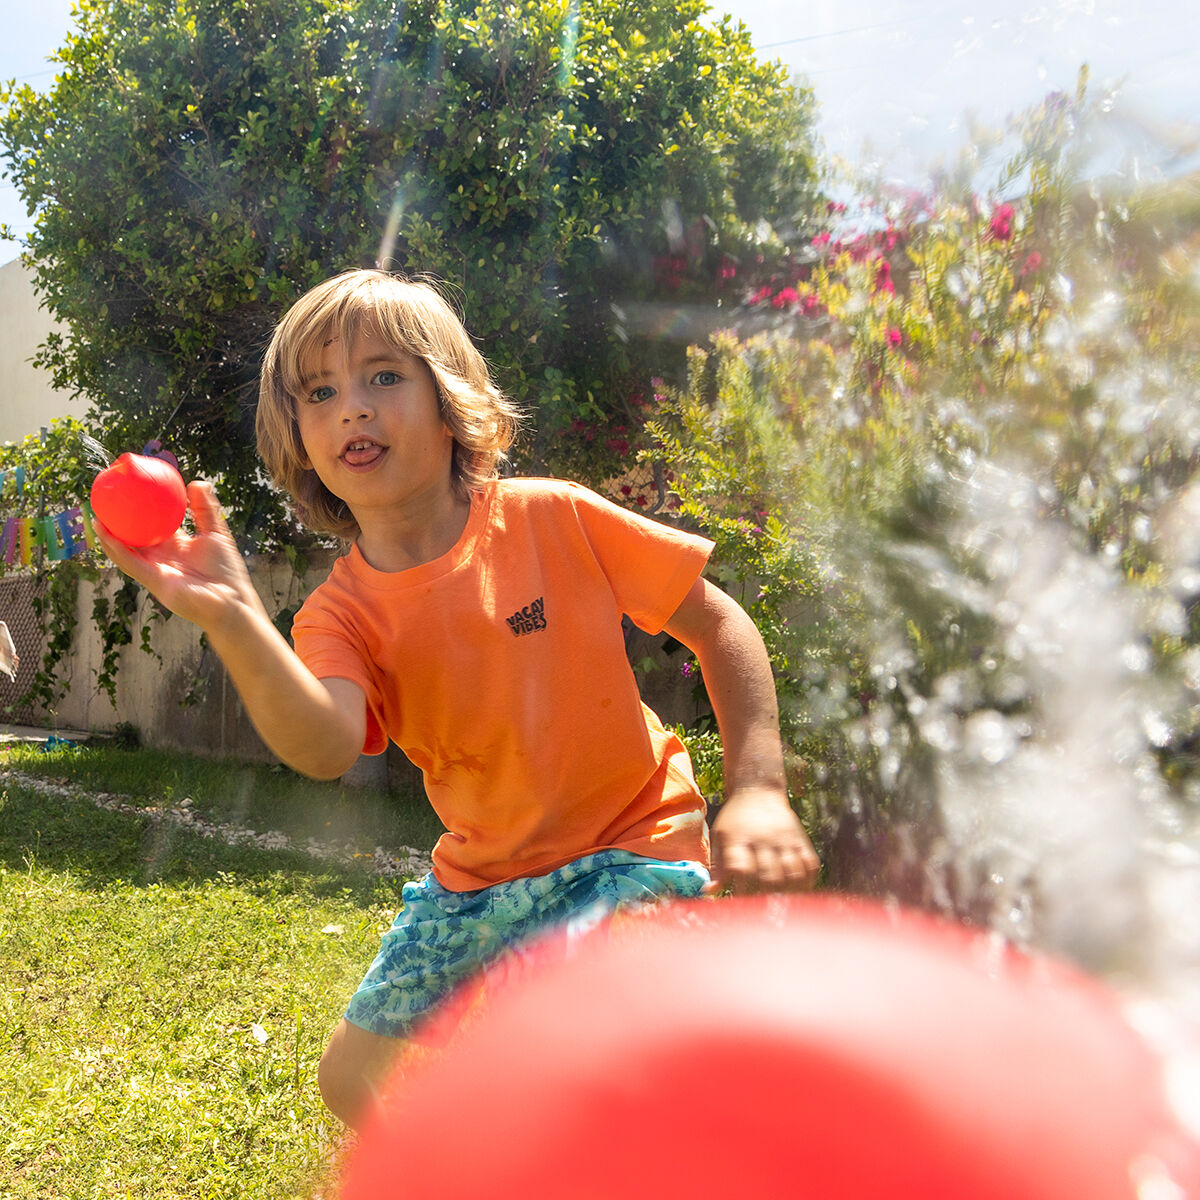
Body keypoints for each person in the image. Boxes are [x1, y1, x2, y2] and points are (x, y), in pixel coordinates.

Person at [96, 268, 820, 1129]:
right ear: (300, 435)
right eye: (321, 392)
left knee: (589, 1029)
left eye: (384, 377)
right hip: (480, 879)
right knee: (348, 1079)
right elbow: (325, 746)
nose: (352, 409)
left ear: (450, 404)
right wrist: (232, 617)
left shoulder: (554, 518)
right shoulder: (341, 614)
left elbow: (720, 623)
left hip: (633, 840)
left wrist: (761, 789)